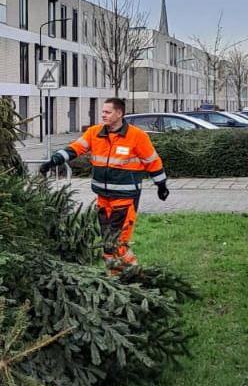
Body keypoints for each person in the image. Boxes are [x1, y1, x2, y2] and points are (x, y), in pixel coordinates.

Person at [38, 97, 168, 270]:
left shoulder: (137, 137)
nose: (103, 115)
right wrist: (53, 161)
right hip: (103, 198)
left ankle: (135, 276)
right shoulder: (95, 133)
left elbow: (153, 161)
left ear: (119, 113)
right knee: (108, 242)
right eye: (103, 112)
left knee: (118, 243)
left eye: (108, 112)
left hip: (125, 198)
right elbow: (75, 148)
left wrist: (161, 185)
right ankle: (116, 281)